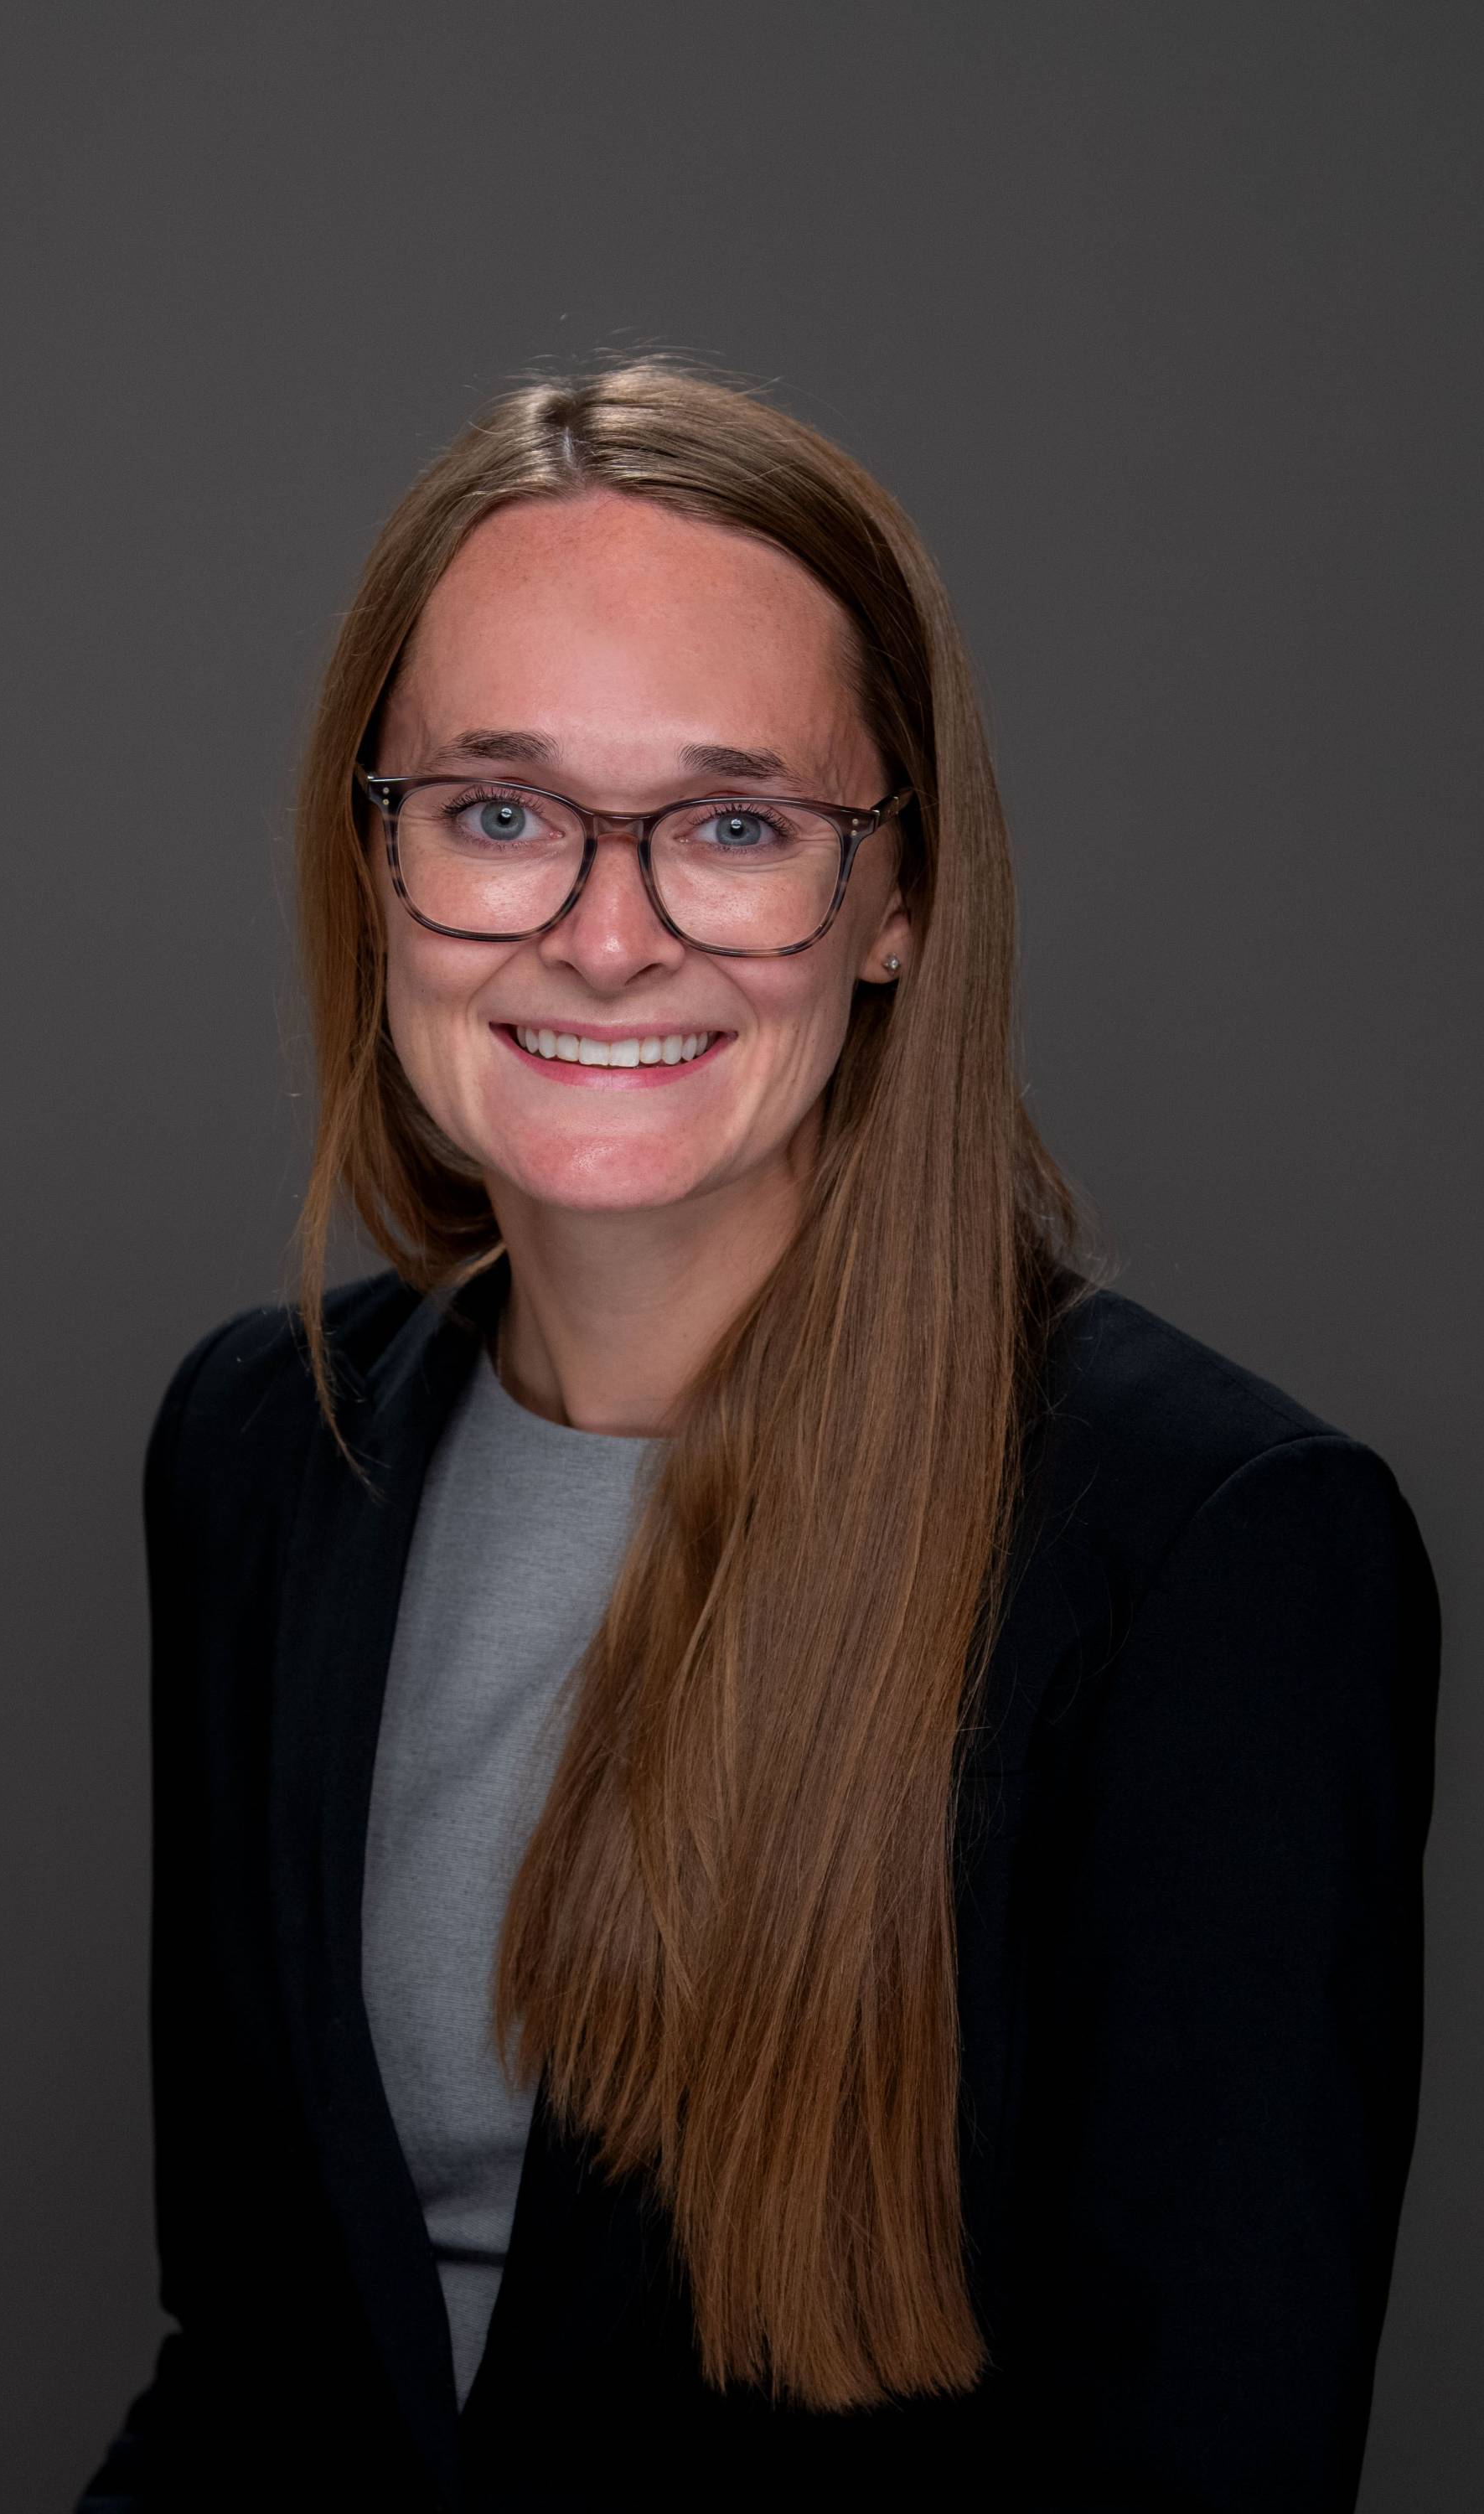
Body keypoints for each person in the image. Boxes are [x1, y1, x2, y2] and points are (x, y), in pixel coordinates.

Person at [76, 360, 1440, 2513]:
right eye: (500, 812)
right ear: (377, 863)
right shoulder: (262, 1454)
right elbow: (259, 2369)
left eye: (733, 827)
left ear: (895, 901)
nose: (604, 937)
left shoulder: (1215, 1556)